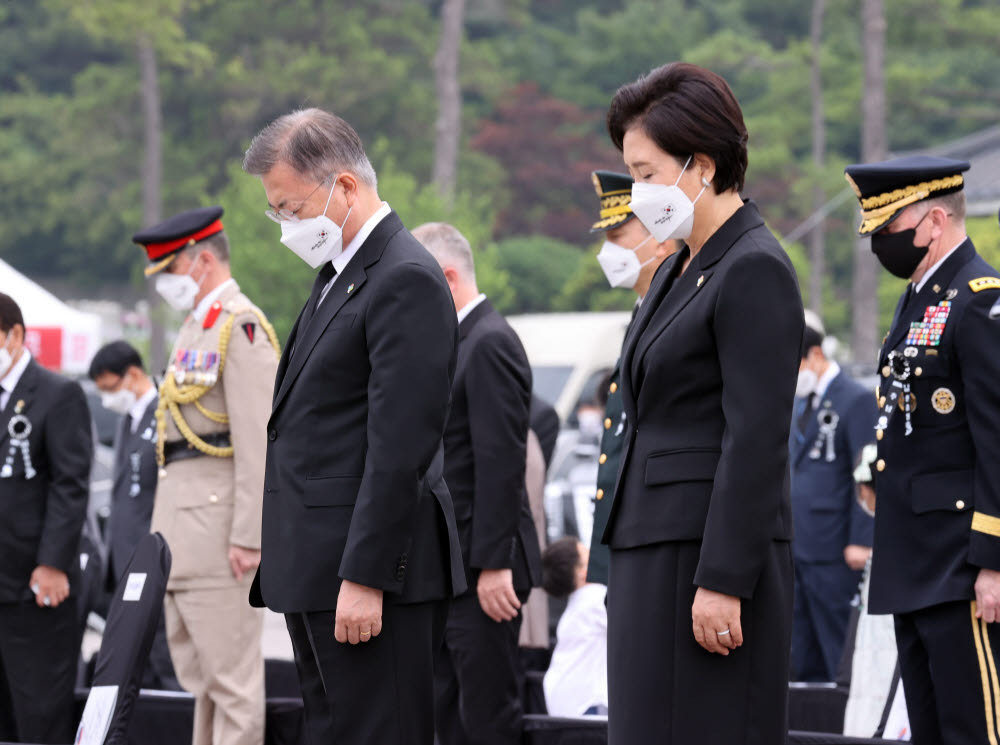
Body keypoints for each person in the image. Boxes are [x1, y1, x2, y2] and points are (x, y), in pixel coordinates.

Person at [242, 108, 465, 745]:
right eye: (277, 211)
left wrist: (366, 574)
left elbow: (402, 447)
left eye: (292, 207)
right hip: (317, 566)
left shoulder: (405, 277)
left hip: (367, 574)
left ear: (343, 187)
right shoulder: (337, 276)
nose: (287, 226)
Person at [602, 62, 804, 744]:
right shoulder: (679, 267)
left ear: (704, 166)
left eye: (651, 172)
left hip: (704, 558)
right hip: (650, 546)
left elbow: (756, 437)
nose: (639, 192)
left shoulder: (753, 266)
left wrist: (722, 577)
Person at [844, 154, 1000, 745]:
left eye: (889, 231)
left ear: (934, 221)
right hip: (914, 558)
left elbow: (996, 438)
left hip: (962, 564)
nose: (882, 245)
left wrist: (994, 560)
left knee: (975, 728)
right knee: (930, 729)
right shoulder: (919, 298)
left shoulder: (979, 300)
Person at [135, 206, 280, 745]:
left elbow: (257, 439)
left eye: (170, 271)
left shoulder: (239, 326)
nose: (167, 285)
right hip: (182, 535)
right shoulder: (198, 325)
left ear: (201, 261)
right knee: (201, 686)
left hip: (221, 538)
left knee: (233, 688)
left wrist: (249, 535)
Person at [412, 221, 542, 745]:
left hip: (482, 568)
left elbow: (501, 464)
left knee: (486, 718)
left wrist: (493, 565)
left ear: (447, 277)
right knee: (450, 717)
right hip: (451, 566)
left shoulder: (488, 342)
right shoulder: (457, 342)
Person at [0, 292, 92, 743]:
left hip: (34, 585)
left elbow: (69, 484)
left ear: (14, 335)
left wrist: (53, 562)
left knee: (39, 713)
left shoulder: (58, 394)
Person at [585, 169, 678, 587]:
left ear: (660, 240)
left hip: (655, 534)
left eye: (617, 238)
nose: (608, 252)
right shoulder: (642, 314)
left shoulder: (672, 315)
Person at [789, 311, 876, 681]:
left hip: (835, 547)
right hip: (797, 545)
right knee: (799, 650)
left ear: (814, 356)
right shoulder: (798, 403)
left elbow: (866, 472)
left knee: (838, 647)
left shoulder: (854, 399)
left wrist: (861, 539)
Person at [88, 340, 179, 690]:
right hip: (125, 556)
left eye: (110, 387)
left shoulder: (163, 413)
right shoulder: (129, 419)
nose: (108, 397)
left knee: (161, 651)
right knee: (134, 653)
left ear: (133, 374)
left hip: (152, 552)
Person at [541, 537, 608, 718]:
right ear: (581, 571)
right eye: (587, 554)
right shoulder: (595, 598)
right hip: (586, 705)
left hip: (563, 701)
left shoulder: (577, 605)